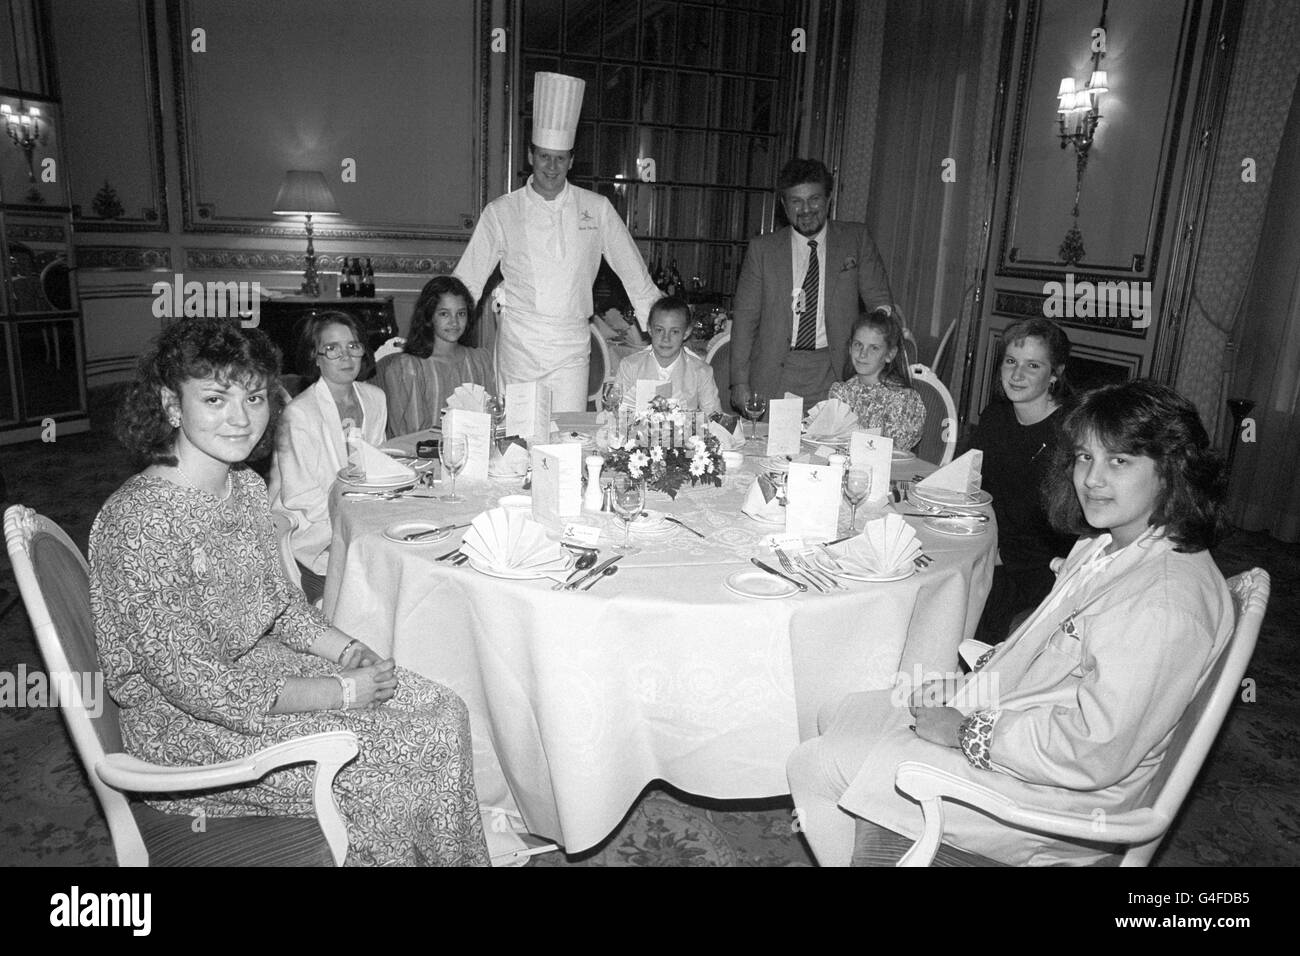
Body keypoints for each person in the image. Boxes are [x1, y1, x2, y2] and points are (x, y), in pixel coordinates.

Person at [90, 318, 489, 866]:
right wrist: (342, 691)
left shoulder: (246, 488)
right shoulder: (140, 523)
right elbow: (204, 689)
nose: (241, 417)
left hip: (259, 673)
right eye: (215, 398)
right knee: (401, 758)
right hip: (186, 730)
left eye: (254, 397)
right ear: (171, 404)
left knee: (444, 711)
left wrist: (348, 652)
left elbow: (283, 609)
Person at [787, 379, 1233, 866]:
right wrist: (967, 687)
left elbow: (1091, 752)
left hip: (1048, 799)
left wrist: (966, 731)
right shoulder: (1110, 545)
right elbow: (1049, 657)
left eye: (1120, 461)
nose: (1093, 479)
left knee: (814, 765)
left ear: (1171, 471)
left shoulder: (1162, 604)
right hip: (1019, 734)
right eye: (1085, 457)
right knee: (836, 712)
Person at [453, 72, 660, 412]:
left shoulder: (597, 208)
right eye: (545, 156)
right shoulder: (501, 212)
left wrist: (662, 324)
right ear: (530, 156)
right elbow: (468, 279)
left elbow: (634, 273)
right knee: (518, 438)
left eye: (560, 158)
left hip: (571, 347)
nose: (552, 166)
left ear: (572, 161)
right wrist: (444, 324)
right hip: (520, 345)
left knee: (567, 437)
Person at [730, 158, 894, 413]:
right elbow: (744, 320)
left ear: (829, 199)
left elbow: (879, 300)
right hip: (775, 375)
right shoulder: (762, 250)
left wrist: (883, 342)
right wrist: (739, 382)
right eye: (796, 201)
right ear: (784, 206)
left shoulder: (856, 240)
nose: (806, 209)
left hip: (836, 374)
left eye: (814, 199)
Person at [965, 317, 1078, 643]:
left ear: (1055, 373)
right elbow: (973, 485)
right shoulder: (995, 416)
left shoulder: (1069, 434)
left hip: (1040, 566)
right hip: (987, 545)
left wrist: (1001, 556)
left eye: (1032, 366)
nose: (1016, 374)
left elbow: (1067, 529)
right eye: (1011, 361)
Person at [268, 312, 387, 605]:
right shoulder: (300, 413)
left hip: (361, 511)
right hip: (313, 523)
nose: (346, 357)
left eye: (353, 346)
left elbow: (379, 462)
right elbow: (300, 495)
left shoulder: (375, 398)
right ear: (316, 357)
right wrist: (355, 524)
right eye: (332, 348)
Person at [375, 275, 494, 436]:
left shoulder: (480, 361)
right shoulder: (409, 368)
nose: (454, 322)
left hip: (475, 454)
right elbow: (410, 434)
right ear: (429, 316)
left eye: (461, 314)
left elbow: (491, 421)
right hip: (420, 456)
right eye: (444, 314)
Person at [827, 310, 925, 450]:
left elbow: (895, 451)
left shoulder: (902, 399)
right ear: (850, 348)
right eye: (858, 345)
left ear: (889, 354)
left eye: (874, 348)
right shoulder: (842, 392)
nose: (862, 354)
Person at [614, 295, 721, 414]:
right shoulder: (630, 366)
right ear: (649, 329)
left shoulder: (701, 372)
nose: (666, 338)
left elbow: (714, 416)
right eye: (659, 330)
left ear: (686, 333)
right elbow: (616, 412)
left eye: (674, 332)